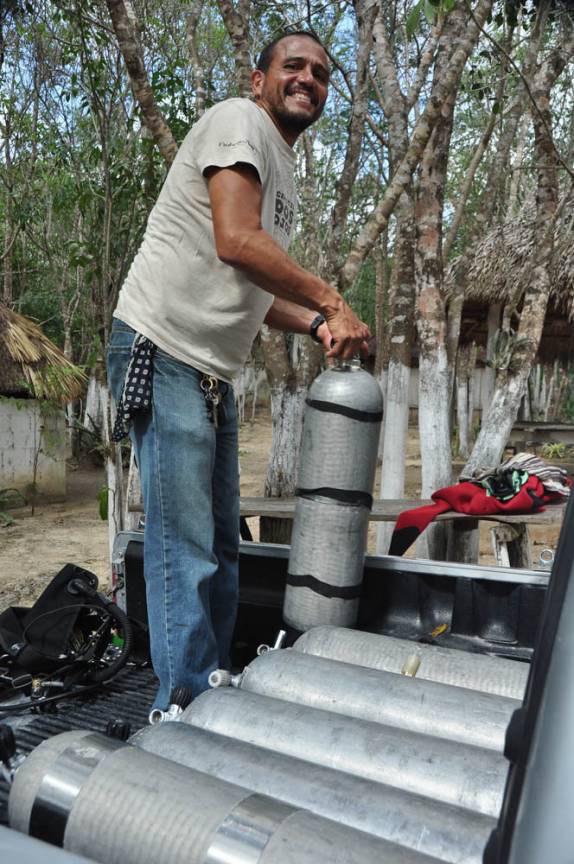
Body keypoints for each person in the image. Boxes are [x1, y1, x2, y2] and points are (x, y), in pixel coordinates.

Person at [107, 30, 371, 710]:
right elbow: (237, 243)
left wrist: (313, 324)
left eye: (320, 72)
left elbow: (252, 286)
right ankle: (183, 705)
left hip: (210, 373)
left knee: (224, 550)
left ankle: (213, 687)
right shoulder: (237, 122)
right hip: (162, 349)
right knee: (186, 543)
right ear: (259, 81)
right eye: (293, 66)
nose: (307, 78)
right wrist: (331, 300)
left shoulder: (278, 172)